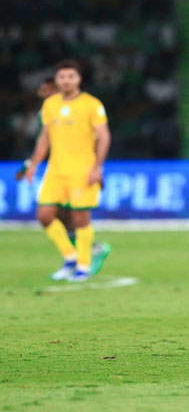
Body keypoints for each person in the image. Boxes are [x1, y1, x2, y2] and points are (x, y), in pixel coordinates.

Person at [25, 60, 111, 281]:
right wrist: (34, 164)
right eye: (62, 77)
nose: (66, 81)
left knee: (80, 218)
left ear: (79, 79)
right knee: (45, 216)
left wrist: (97, 167)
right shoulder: (50, 104)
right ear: (56, 80)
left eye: (71, 76)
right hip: (55, 170)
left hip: (82, 169)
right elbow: (44, 138)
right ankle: (69, 257)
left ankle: (84, 266)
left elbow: (104, 137)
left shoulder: (91, 104)